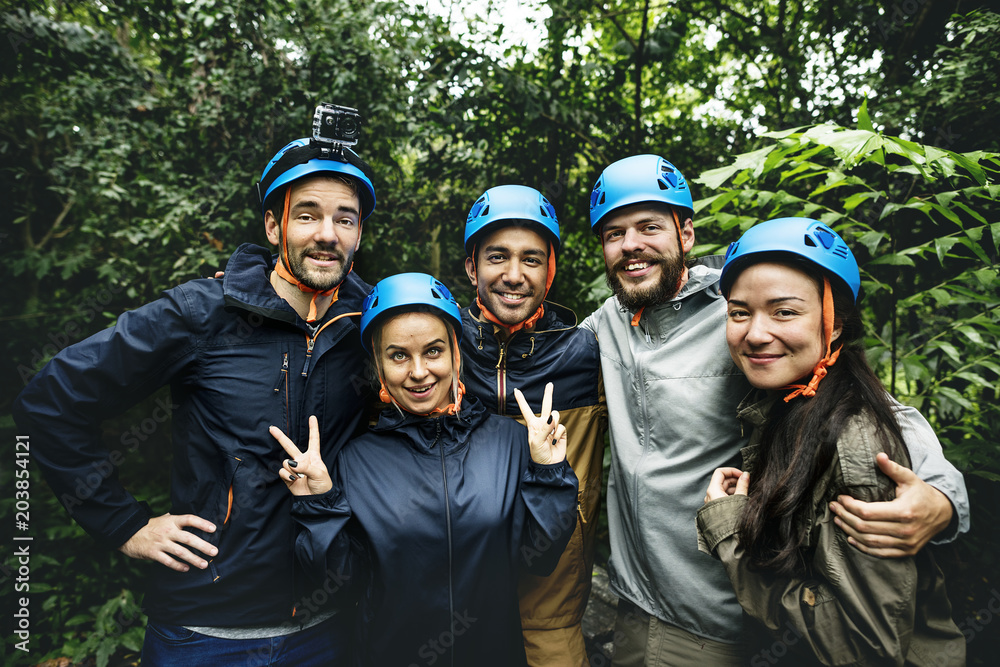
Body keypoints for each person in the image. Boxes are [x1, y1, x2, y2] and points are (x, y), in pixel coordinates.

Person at [12, 109, 379, 664]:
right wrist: (123, 523)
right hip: (204, 637)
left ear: (359, 232)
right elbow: (49, 399)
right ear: (273, 226)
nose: (327, 234)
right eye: (307, 216)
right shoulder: (202, 312)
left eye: (345, 219)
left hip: (329, 630)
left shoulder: (373, 323)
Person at [580, 154, 969, 665]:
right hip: (639, 598)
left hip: (731, 610)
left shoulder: (738, 312)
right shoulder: (606, 323)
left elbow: (872, 408)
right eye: (614, 233)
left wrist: (943, 499)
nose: (631, 244)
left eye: (650, 226)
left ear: (686, 234)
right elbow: (534, 354)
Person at [269, 272, 579, 667]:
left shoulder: (511, 443)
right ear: (379, 366)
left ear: (456, 354)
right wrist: (318, 506)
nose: (418, 372)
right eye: (399, 355)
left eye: (433, 351)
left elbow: (540, 558)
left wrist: (549, 473)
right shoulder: (354, 460)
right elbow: (339, 589)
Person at [697, 217, 965, 664]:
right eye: (740, 312)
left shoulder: (854, 446)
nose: (756, 333)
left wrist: (730, 534)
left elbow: (865, 646)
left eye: (784, 311)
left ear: (834, 323)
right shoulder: (789, 405)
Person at [461, 184, 606, 666]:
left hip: (552, 617)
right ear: (471, 266)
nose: (514, 275)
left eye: (532, 259)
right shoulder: (440, 348)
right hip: (451, 610)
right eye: (497, 257)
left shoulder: (587, 353)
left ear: (551, 270)